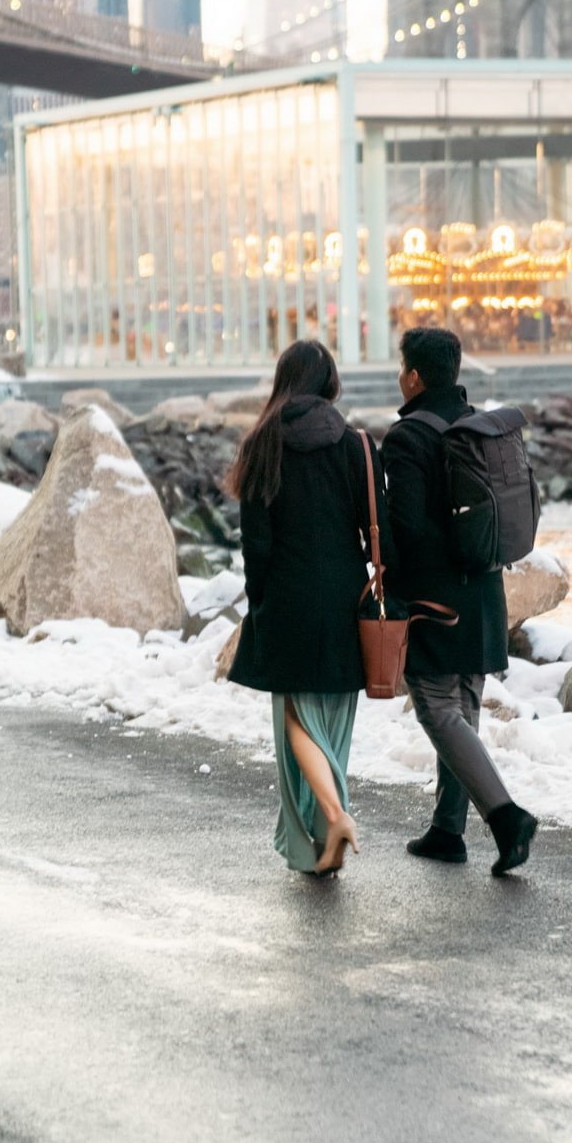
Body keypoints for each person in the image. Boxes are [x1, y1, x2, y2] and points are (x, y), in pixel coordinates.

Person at [226, 340, 392, 875]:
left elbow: (256, 543)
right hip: (346, 598)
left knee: (296, 716)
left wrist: (260, 605)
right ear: (329, 384)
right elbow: (378, 529)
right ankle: (325, 834)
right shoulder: (355, 444)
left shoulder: (262, 446)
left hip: (288, 599)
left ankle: (333, 816)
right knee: (334, 721)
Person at [382, 326, 539, 876]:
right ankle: (448, 830)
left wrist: (395, 596)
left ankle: (506, 817)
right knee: (463, 708)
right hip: (486, 586)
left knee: (436, 707)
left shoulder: (407, 439)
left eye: (402, 369)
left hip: (436, 599)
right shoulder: (481, 428)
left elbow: (405, 528)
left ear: (415, 377)